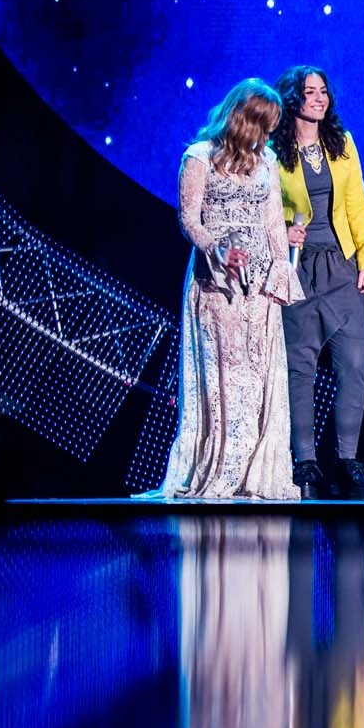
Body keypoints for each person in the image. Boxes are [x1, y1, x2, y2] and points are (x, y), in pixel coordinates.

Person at [145, 79, 301, 500]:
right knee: (225, 377)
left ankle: (254, 474)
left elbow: (272, 221)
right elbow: (189, 220)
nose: (266, 136)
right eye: (261, 126)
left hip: (260, 285)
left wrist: (281, 269)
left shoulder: (267, 159)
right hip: (217, 281)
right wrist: (219, 249)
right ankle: (219, 468)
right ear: (241, 119)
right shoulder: (199, 157)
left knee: (258, 377)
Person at [270, 65, 364, 501]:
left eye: (323, 91)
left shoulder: (342, 143)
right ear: (292, 99)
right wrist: (282, 230)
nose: (319, 98)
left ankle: (348, 458)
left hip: (341, 266)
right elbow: (261, 208)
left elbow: (357, 204)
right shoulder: (272, 151)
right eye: (309, 92)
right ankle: (305, 460)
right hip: (297, 268)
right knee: (301, 366)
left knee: (354, 363)